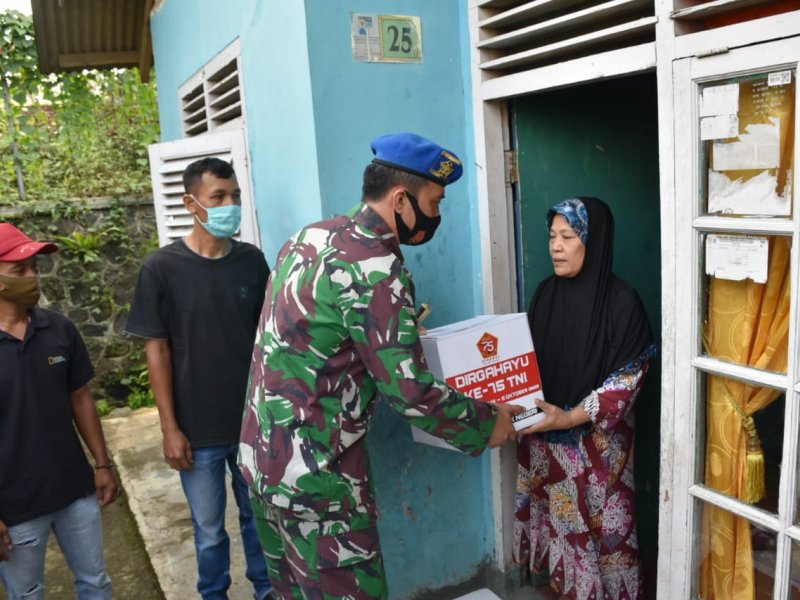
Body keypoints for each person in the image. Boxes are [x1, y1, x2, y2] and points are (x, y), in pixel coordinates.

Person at [238, 132, 522, 599]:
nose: (436, 216)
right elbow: (410, 394)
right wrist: (488, 423)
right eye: (433, 202)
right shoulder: (376, 266)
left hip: (263, 461)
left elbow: (316, 335)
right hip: (319, 483)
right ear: (400, 198)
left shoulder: (310, 237)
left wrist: (399, 338)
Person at [126, 158, 273, 600]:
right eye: (219, 198)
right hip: (198, 430)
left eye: (235, 197)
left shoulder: (252, 261)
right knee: (209, 530)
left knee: (258, 520)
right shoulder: (162, 268)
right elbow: (158, 350)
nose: (231, 205)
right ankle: (214, 595)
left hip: (251, 422)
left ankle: (266, 590)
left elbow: (268, 338)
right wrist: (170, 428)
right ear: (192, 204)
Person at [513, 197, 656, 600]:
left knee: (603, 538)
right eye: (551, 236)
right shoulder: (545, 295)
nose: (555, 246)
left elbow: (629, 379)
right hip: (546, 441)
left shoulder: (622, 302)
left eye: (568, 236)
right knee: (562, 532)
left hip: (598, 449)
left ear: (593, 241)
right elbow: (526, 365)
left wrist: (571, 416)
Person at [0, 223, 120, 600]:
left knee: (96, 582)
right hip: (15, 505)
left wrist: (102, 464)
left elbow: (80, 397)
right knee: (28, 593)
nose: (33, 276)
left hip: (74, 489)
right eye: (20, 271)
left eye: (34, 267)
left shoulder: (59, 329)